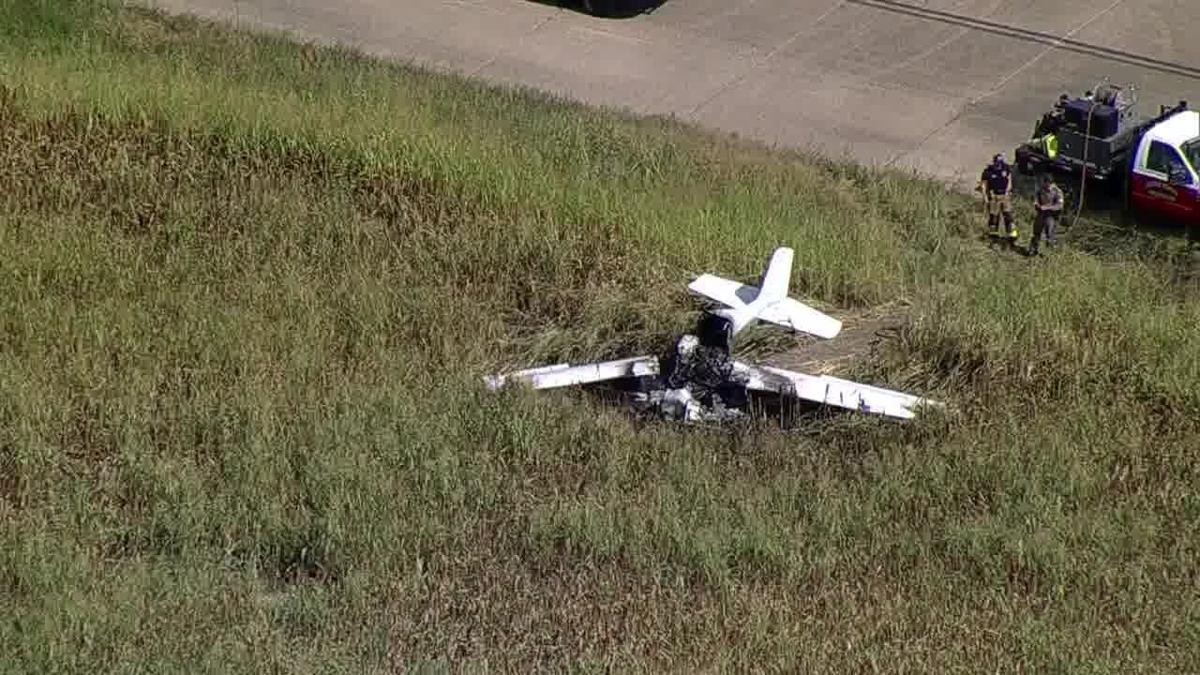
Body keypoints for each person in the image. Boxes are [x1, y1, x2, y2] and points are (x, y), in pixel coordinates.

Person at [978, 153, 1017, 242]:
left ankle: (1012, 235)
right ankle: (993, 235)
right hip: (994, 195)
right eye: (997, 163)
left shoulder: (1006, 168)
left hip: (1004, 195)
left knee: (1008, 215)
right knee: (994, 216)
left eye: (1000, 163)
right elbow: (984, 185)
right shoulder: (988, 171)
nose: (998, 165)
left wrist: (1008, 191)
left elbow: (1009, 179)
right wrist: (985, 197)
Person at [1029, 174, 1064, 256]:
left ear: (1051, 183)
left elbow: (1059, 205)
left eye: (1048, 184)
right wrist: (1036, 204)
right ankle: (1033, 250)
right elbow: (1036, 199)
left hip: (1051, 216)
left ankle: (1050, 254)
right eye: (1045, 184)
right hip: (1041, 214)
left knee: (1049, 234)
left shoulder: (1057, 192)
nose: (1046, 186)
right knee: (1036, 232)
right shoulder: (1041, 190)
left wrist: (1047, 207)